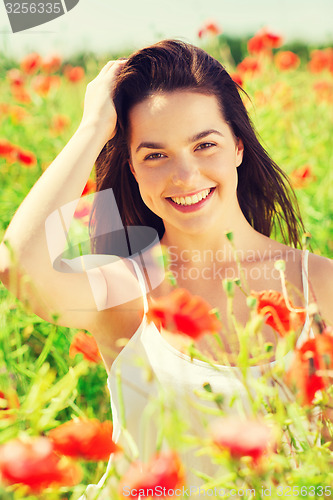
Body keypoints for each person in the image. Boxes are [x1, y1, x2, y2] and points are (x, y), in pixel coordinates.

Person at [0, 40, 332, 494]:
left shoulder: (321, 284)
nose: (186, 175)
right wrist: (94, 126)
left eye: (205, 145)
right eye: (155, 155)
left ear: (238, 145)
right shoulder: (128, 288)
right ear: (133, 170)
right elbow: (19, 264)